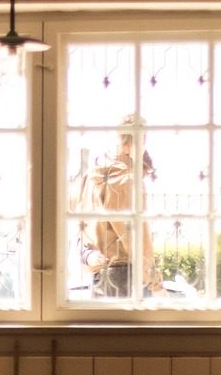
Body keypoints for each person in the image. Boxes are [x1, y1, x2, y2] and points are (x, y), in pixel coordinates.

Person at [71, 121, 166, 298]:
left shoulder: (93, 175)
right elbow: (134, 237)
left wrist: (87, 255)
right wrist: (156, 284)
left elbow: (81, 227)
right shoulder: (125, 180)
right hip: (125, 275)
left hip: (101, 275)